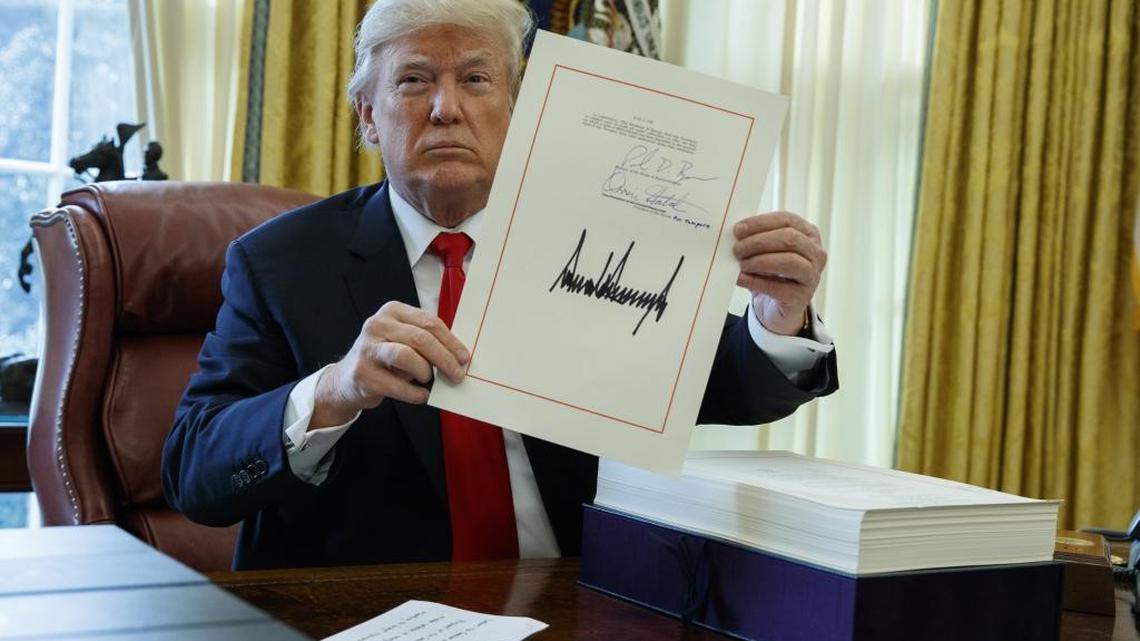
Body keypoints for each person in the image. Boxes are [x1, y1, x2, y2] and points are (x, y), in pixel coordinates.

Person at [162, 0, 838, 571]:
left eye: (478, 79)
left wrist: (777, 319)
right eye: (414, 81)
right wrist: (336, 389)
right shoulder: (279, 264)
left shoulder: (594, 236)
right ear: (369, 116)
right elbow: (194, 472)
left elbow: (720, 379)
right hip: (369, 612)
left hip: (573, 600)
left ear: (519, 111)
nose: (447, 109)